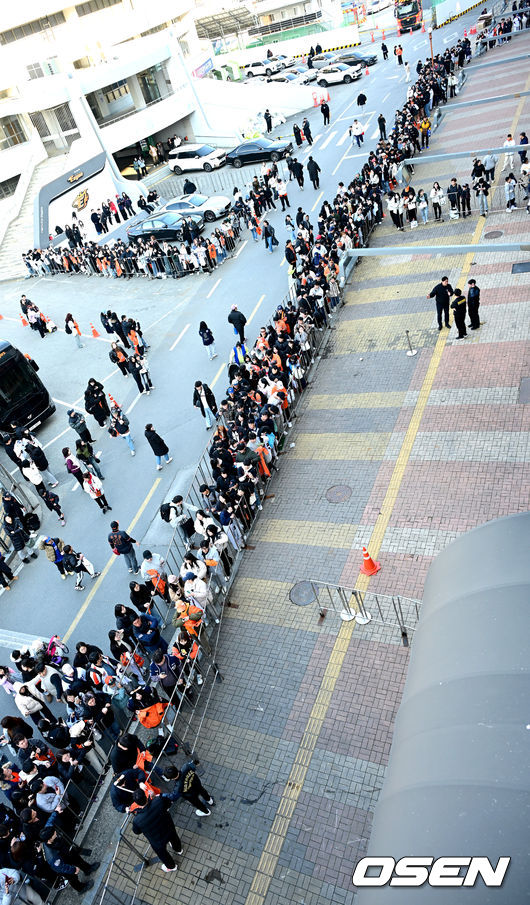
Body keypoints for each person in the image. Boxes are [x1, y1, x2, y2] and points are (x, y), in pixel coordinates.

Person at [131, 790, 182, 872]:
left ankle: (171, 866)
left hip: (157, 839)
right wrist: (154, 797)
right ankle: (178, 849)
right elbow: (168, 803)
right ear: (145, 796)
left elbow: (136, 832)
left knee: (163, 854)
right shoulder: (158, 801)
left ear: (137, 803)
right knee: (174, 838)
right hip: (168, 827)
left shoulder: (137, 820)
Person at [40, 826, 98, 892]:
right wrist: (73, 870)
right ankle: (81, 888)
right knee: (72, 877)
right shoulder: (51, 856)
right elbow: (61, 867)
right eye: (54, 834)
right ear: (49, 839)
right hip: (63, 863)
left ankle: (88, 869)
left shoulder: (51, 840)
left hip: (66, 855)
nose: (55, 833)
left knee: (78, 860)